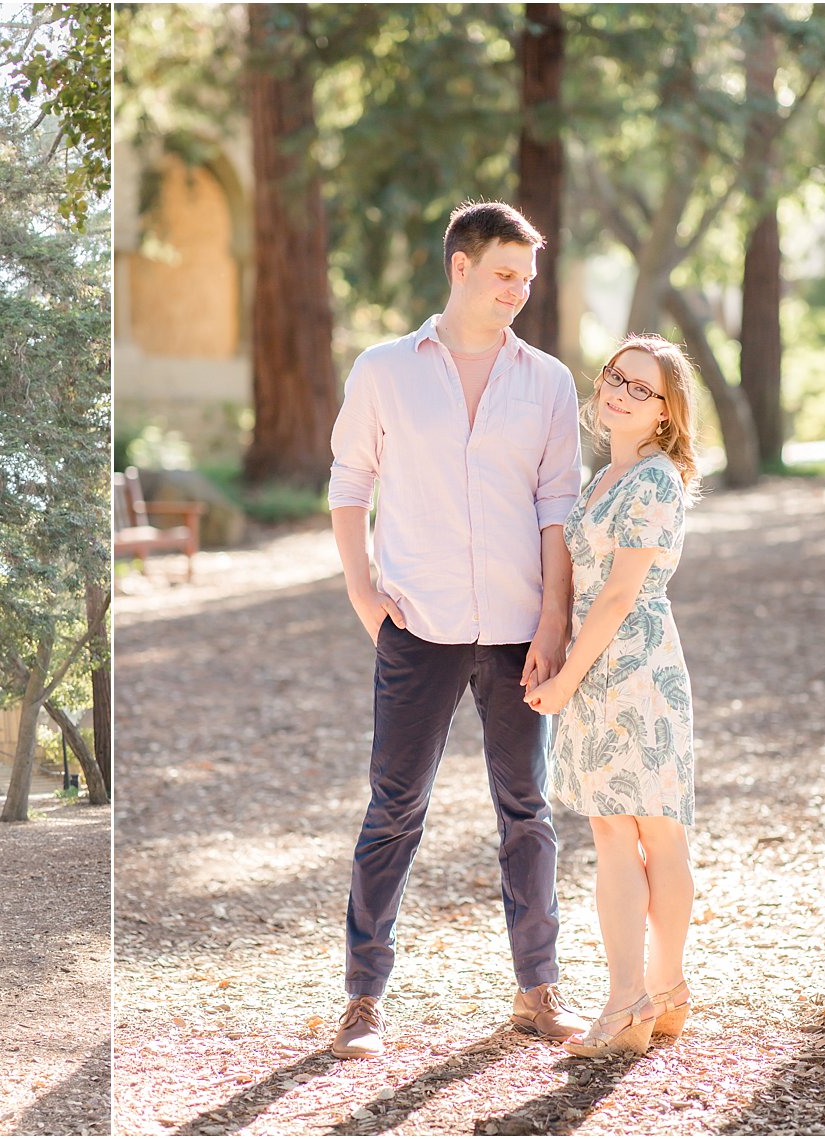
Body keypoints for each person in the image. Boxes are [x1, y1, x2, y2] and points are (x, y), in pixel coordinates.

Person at [327, 200, 588, 1058]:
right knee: (394, 808)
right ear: (461, 266)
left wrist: (555, 619)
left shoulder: (546, 381)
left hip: (521, 631)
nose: (519, 290)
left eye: (528, 278)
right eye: (505, 273)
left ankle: (538, 991)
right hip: (419, 624)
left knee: (527, 812)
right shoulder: (384, 369)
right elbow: (349, 482)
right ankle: (364, 999)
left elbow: (558, 510)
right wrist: (365, 595)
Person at [525, 334, 700, 1058]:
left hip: (636, 669)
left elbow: (623, 592)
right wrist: (563, 659)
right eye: (616, 378)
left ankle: (652, 988)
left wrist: (566, 677)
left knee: (656, 832)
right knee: (612, 834)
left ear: (666, 413)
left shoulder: (656, 479)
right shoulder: (602, 478)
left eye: (642, 388)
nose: (621, 393)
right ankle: (647, 993)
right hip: (599, 673)